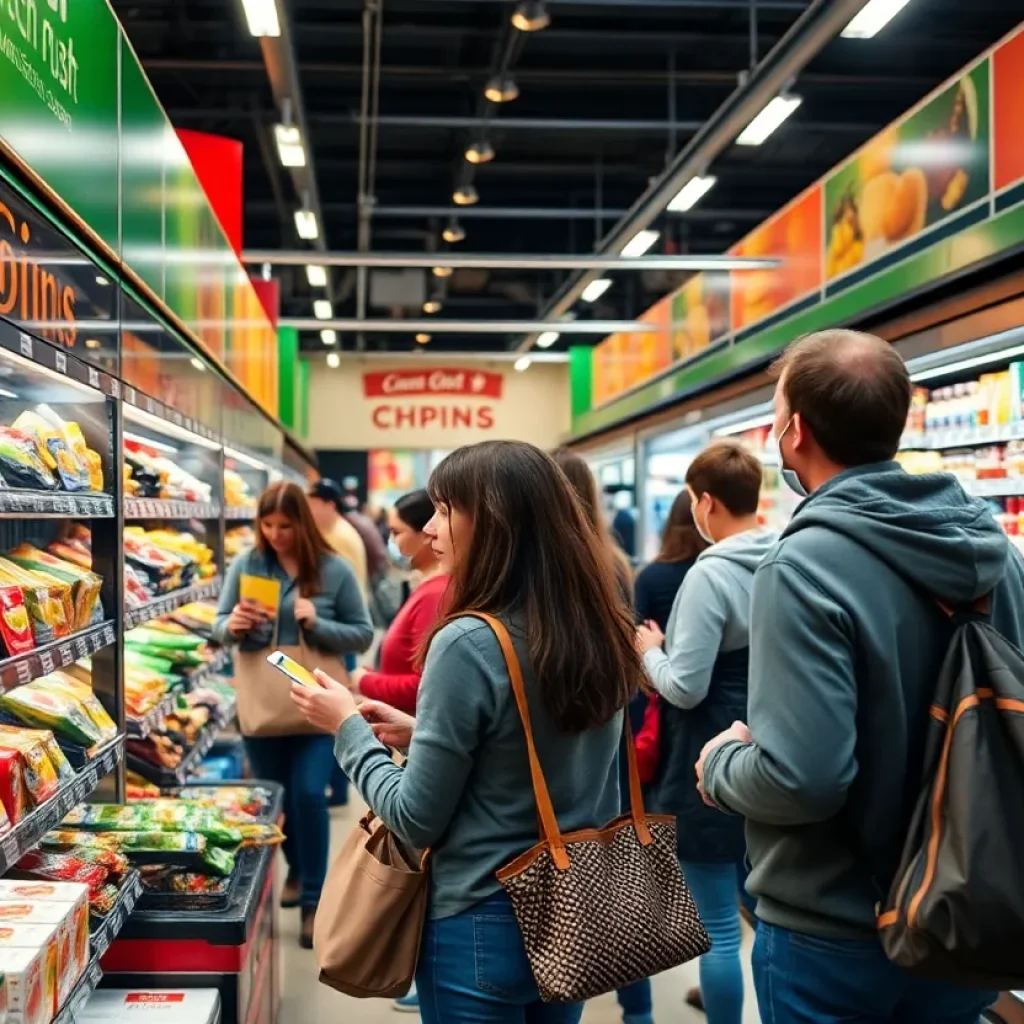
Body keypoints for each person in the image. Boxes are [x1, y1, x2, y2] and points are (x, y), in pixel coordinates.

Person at [697, 329, 1024, 1024]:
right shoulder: (997, 552)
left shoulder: (801, 566)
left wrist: (721, 763)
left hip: (835, 924)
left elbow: (804, 778)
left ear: (795, 433)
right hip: (965, 902)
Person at [290, 440, 644, 1024]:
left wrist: (347, 730)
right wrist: (422, 731)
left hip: (481, 916)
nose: (429, 529)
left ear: (494, 523)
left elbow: (415, 817)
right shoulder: (598, 624)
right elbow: (546, 751)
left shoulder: (469, 641)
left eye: (445, 510)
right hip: (572, 909)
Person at [637, 440, 776, 1024]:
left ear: (706, 502)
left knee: (719, 926)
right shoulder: (786, 552)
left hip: (709, 758)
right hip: (771, 741)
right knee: (768, 914)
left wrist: (651, 654)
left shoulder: (709, 573)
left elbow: (685, 687)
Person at [213, 482, 373, 949]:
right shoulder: (247, 565)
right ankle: (298, 870)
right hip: (263, 709)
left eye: (286, 525)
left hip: (318, 706)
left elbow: (362, 635)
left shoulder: (333, 569)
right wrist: (233, 625)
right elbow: (218, 625)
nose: (277, 534)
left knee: (308, 794)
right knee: (278, 799)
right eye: (268, 524)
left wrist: (316, 623)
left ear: (303, 521)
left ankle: (314, 902)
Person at [551, 447, 652, 1024]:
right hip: (611, 718)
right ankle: (634, 1002)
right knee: (611, 854)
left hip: (573, 718)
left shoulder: (559, 567)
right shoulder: (614, 562)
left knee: (578, 851)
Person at [352, 489, 448, 713]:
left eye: (396, 532)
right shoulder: (426, 586)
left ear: (427, 533)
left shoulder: (436, 594)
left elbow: (424, 684)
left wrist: (364, 681)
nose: (390, 541)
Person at [307, 479, 369, 594]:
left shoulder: (337, 536)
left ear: (330, 506)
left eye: (313, 504)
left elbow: (332, 582)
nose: (308, 510)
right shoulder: (335, 528)